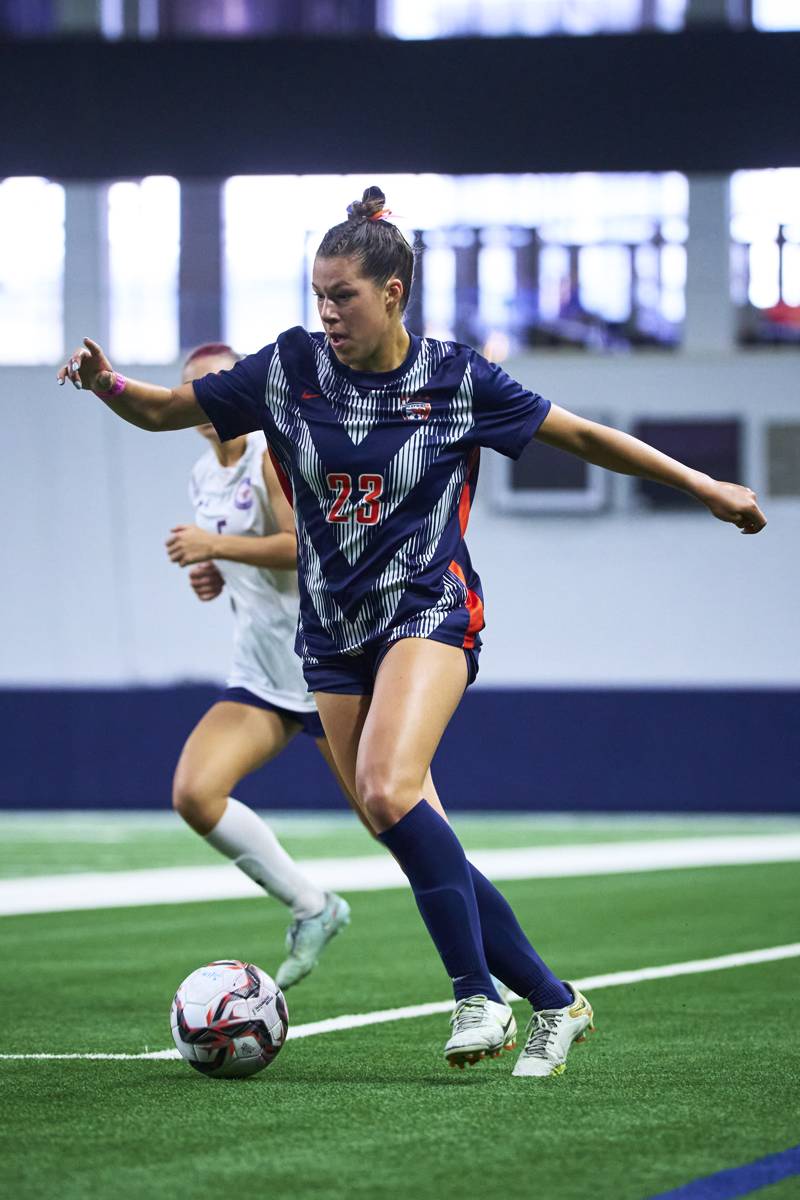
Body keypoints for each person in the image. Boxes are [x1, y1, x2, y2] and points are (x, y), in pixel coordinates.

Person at [58, 185, 766, 1078]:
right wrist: (106, 382)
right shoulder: (288, 369)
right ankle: (555, 1001)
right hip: (334, 631)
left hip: (429, 610)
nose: (327, 309)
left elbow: (581, 435)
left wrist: (705, 487)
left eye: (343, 294)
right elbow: (165, 409)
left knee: (389, 790)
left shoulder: (457, 377)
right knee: (406, 820)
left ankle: (478, 997)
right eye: (317, 293)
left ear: (393, 293)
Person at [170, 342, 352, 991]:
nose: (210, 396)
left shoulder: (269, 455)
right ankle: (313, 906)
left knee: (397, 819)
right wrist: (215, 575)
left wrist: (216, 545)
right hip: (263, 669)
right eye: (197, 387)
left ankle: (487, 969)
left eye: (222, 383)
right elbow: (249, 560)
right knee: (195, 792)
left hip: (328, 661)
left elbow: (307, 553)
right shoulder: (203, 472)